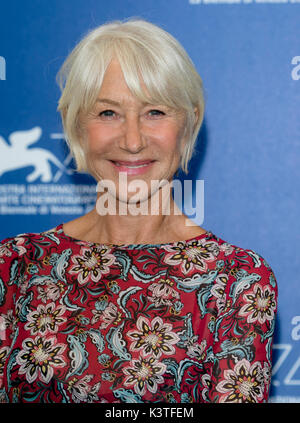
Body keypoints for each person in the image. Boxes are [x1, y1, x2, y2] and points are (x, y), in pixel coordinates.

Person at [0, 18, 277, 403]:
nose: (132, 140)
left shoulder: (235, 281)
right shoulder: (15, 266)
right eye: (108, 113)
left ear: (188, 124)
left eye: (155, 112)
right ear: (75, 125)